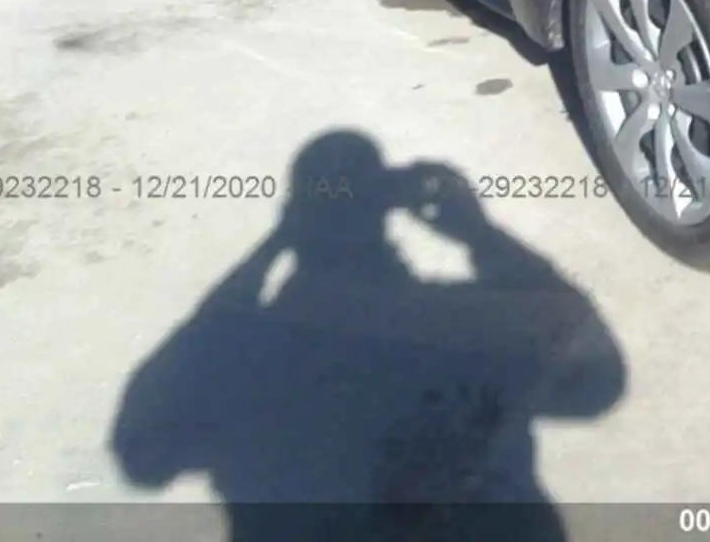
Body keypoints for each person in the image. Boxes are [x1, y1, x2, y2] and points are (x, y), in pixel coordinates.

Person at [111, 131, 626, 541]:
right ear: (387, 213)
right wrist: (479, 233)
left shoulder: (234, 352)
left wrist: (266, 251)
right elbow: (599, 378)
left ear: (295, 223)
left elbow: (141, 456)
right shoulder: (470, 325)